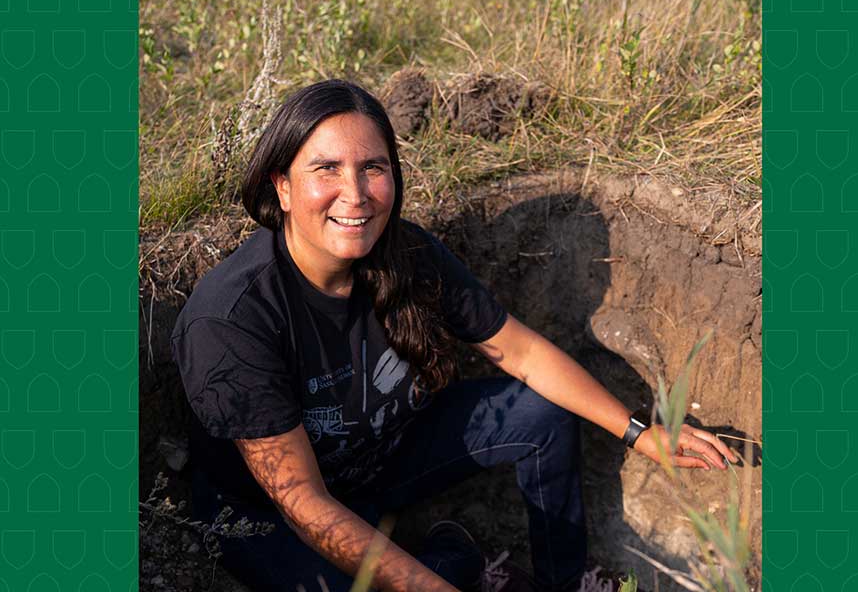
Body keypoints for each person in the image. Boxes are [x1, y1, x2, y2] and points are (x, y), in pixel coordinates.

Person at [171, 79, 738, 592]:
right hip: (269, 516)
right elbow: (304, 503)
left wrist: (640, 433)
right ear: (284, 187)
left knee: (541, 413)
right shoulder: (232, 320)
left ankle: (561, 582)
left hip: (380, 462)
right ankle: (453, 563)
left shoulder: (407, 254)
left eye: (373, 166)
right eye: (326, 169)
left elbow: (520, 353)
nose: (356, 192)